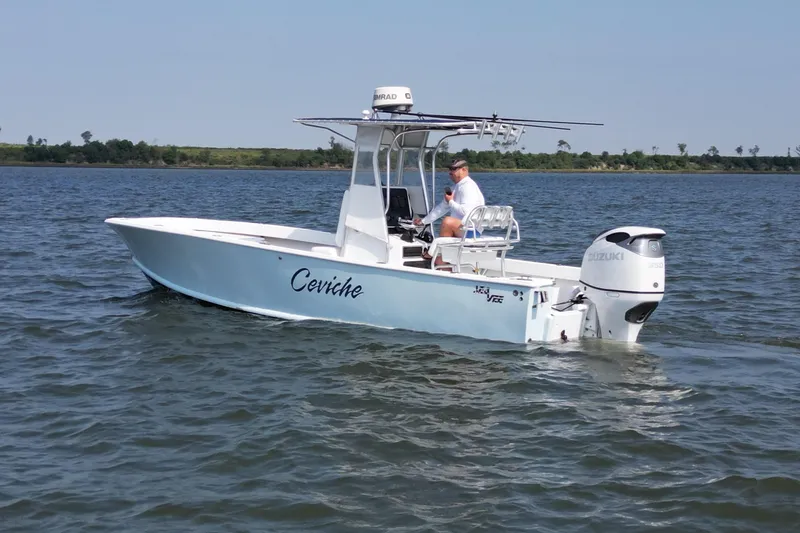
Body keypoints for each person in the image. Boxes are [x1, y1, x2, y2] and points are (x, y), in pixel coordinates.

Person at [413, 159, 485, 238]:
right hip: (462, 228)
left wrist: (450, 202)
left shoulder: (468, 186)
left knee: (447, 222)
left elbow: (466, 211)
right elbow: (441, 208)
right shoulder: (456, 187)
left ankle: (441, 246)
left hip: (471, 230)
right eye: (449, 169)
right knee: (448, 221)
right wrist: (423, 221)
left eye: (453, 169)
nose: (450, 172)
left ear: (464, 170)